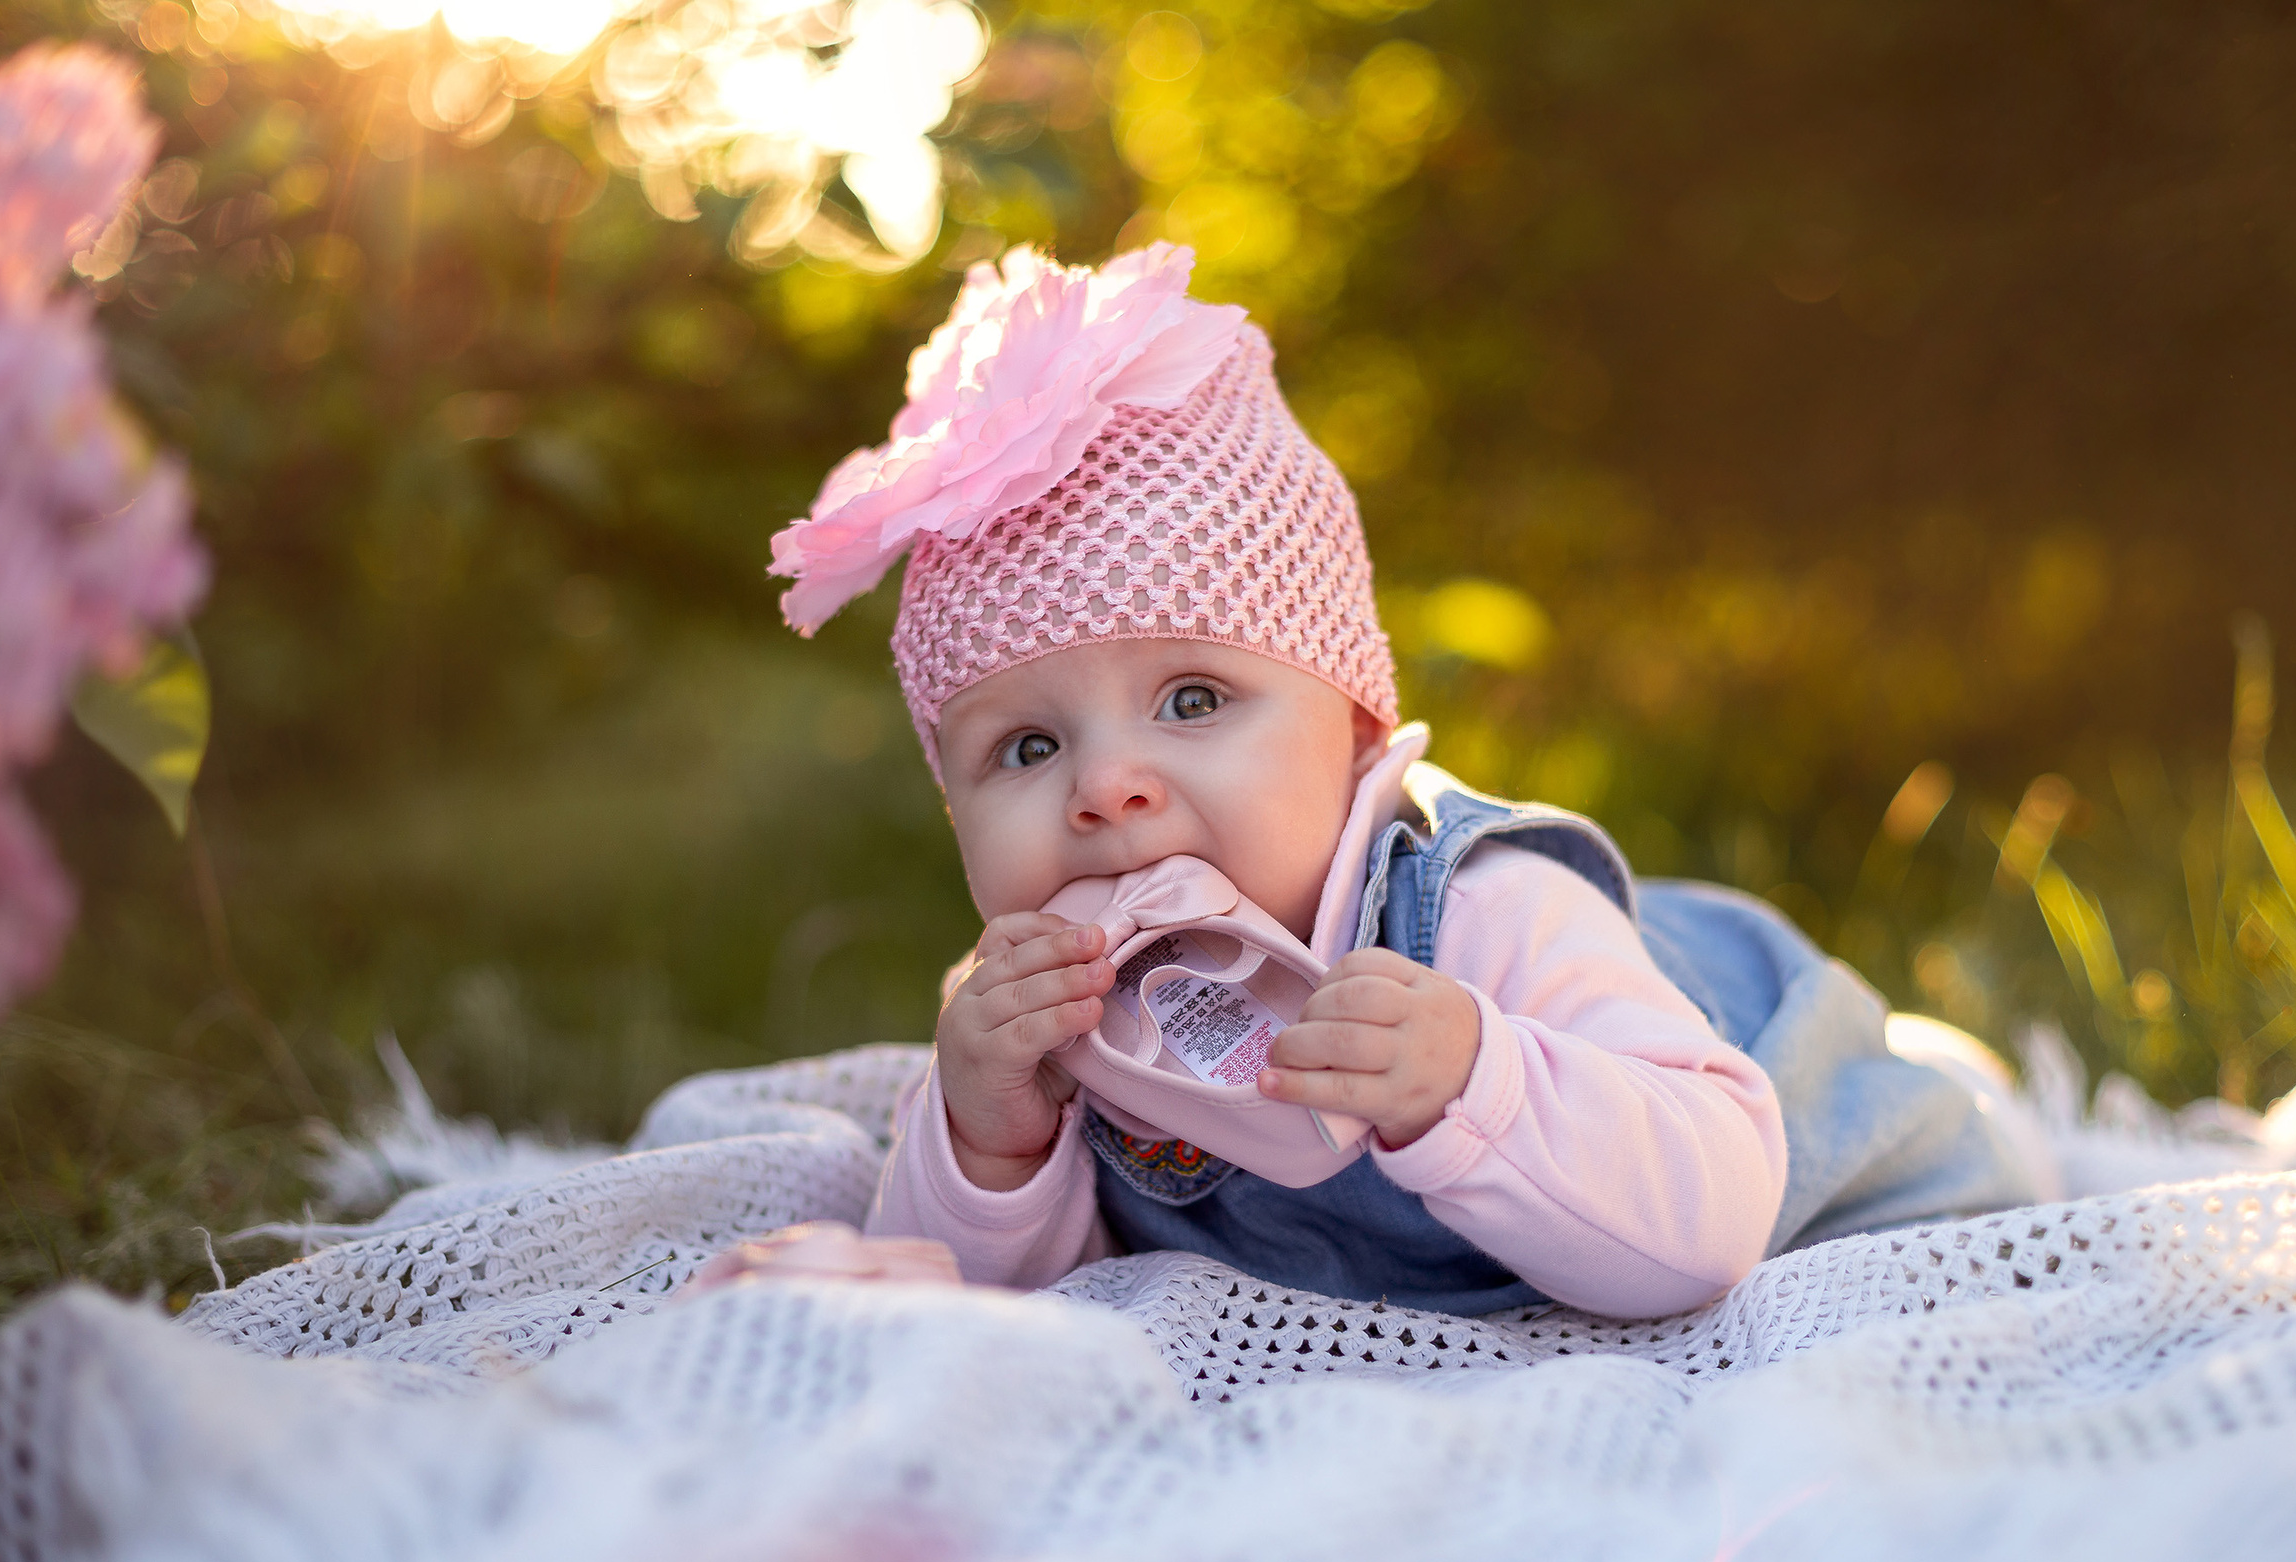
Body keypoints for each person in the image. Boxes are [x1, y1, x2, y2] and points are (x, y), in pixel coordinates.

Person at [745, 242, 2036, 1320]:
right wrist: (987, 1138)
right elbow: (970, 1307)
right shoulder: (1038, 1019)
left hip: (1795, 1124)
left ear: (1361, 731)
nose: (1107, 787)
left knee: (1957, 1108)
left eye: (1194, 700)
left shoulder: (1483, 915)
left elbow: (1706, 1234)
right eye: (1026, 749)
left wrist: (1476, 1081)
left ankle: (1972, 1072)